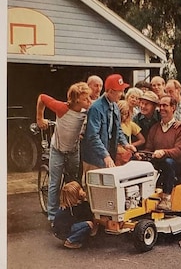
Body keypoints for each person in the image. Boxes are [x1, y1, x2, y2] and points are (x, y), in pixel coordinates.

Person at [36, 82, 92, 222]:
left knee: (73, 182)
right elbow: (42, 97)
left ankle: (71, 210)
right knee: (55, 182)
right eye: (86, 99)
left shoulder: (87, 111)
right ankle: (53, 215)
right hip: (58, 150)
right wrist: (39, 118)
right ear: (77, 99)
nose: (89, 101)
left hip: (73, 150)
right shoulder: (61, 108)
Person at [136, 95, 181, 210]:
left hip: (175, 163)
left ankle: (166, 198)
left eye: (165, 105)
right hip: (157, 160)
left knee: (168, 163)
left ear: (173, 107)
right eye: (160, 105)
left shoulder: (180, 128)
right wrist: (141, 154)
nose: (162, 108)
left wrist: (163, 152)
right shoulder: (155, 128)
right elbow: (149, 147)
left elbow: (178, 150)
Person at [81, 74, 136, 174]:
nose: (122, 94)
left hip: (108, 156)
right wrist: (105, 155)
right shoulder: (96, 108)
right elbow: (93, 136)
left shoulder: (115, 106)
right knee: (93, 187)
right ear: (110, 91)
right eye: (119, 91)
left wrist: (126, 144)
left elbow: (118, 129)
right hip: (94, 159)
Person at [53, 181, 98, 249]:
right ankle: (70, 241)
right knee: (89, 224)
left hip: (59, 231)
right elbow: (88, 214)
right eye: (81, 190)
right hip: (64, 230)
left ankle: (71, 237)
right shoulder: (76, 207)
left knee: (84, 224)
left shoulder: (67, 206)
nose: (83, 191)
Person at [116, 100, 145, 165]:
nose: (123, 116)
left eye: (125, 113)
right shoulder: (113, 124)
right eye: (121, 113)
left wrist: (131, 145)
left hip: (127, 154)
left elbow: (142, 140)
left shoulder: (130, 124)